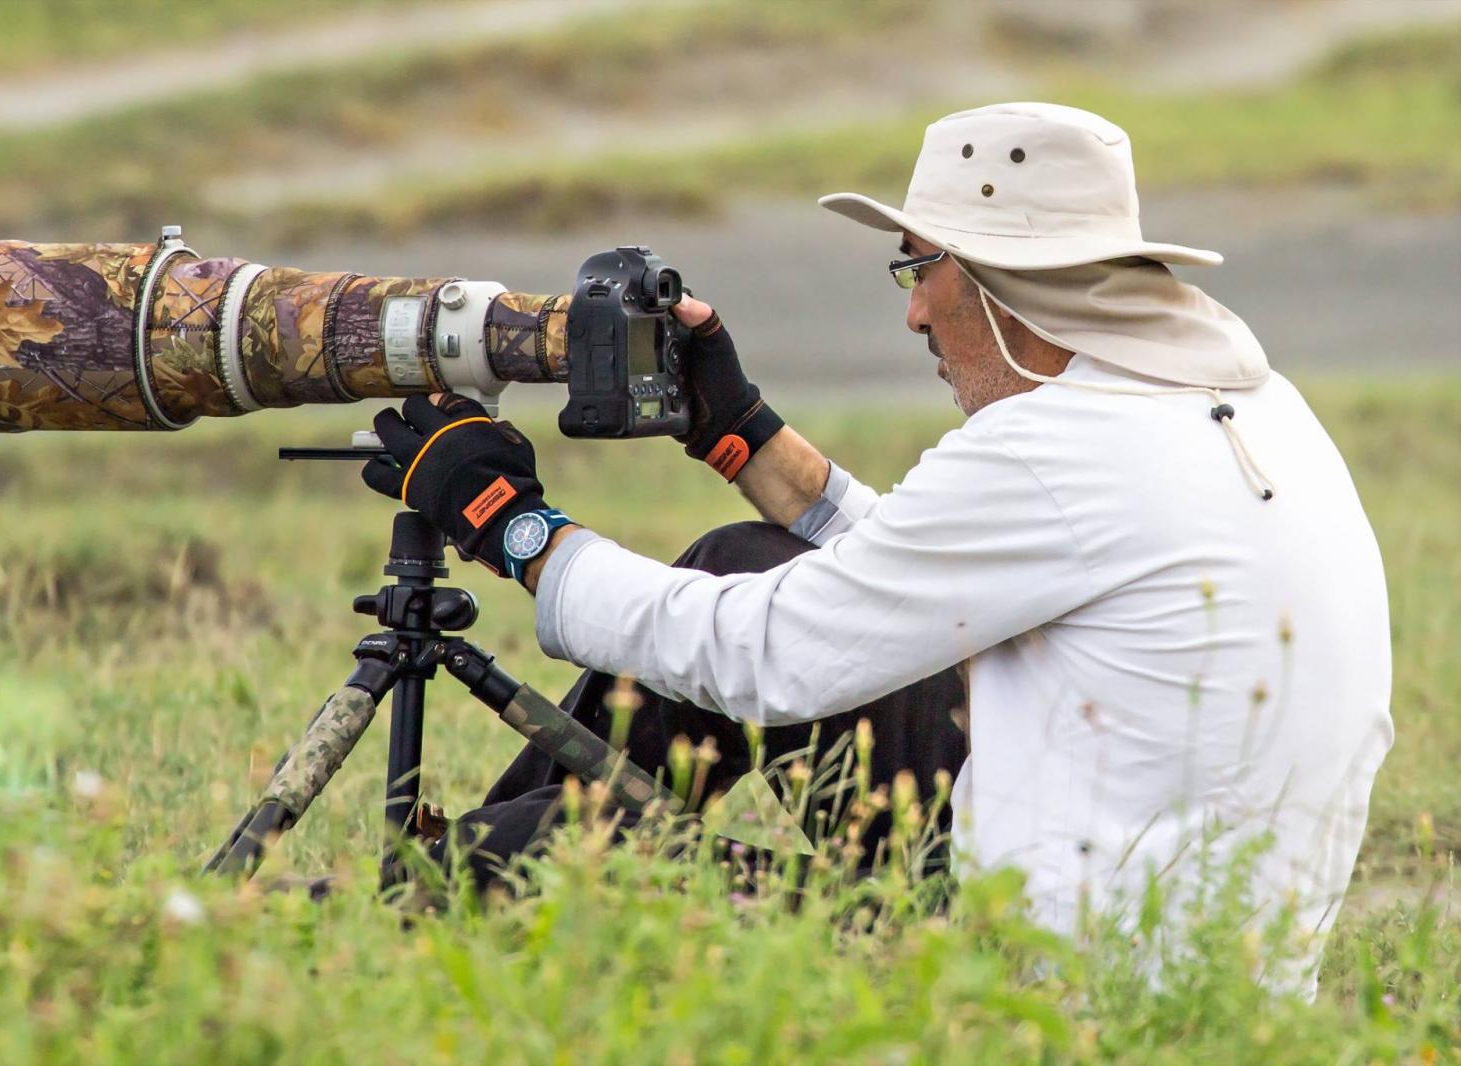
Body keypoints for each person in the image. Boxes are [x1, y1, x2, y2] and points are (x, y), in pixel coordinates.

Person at [361, 103, 1392, 993]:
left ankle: (425, 916)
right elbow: (922, 572)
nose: (910, 311)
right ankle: (522, 877)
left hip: (1056, 986)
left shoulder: (1057, 448)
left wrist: (518, 531)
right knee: (741, 555)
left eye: (918, 265)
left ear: (995, 278)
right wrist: (745, 436)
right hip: (1173, 931)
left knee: (504, 862)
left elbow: (768, 657)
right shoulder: (1221, 397)